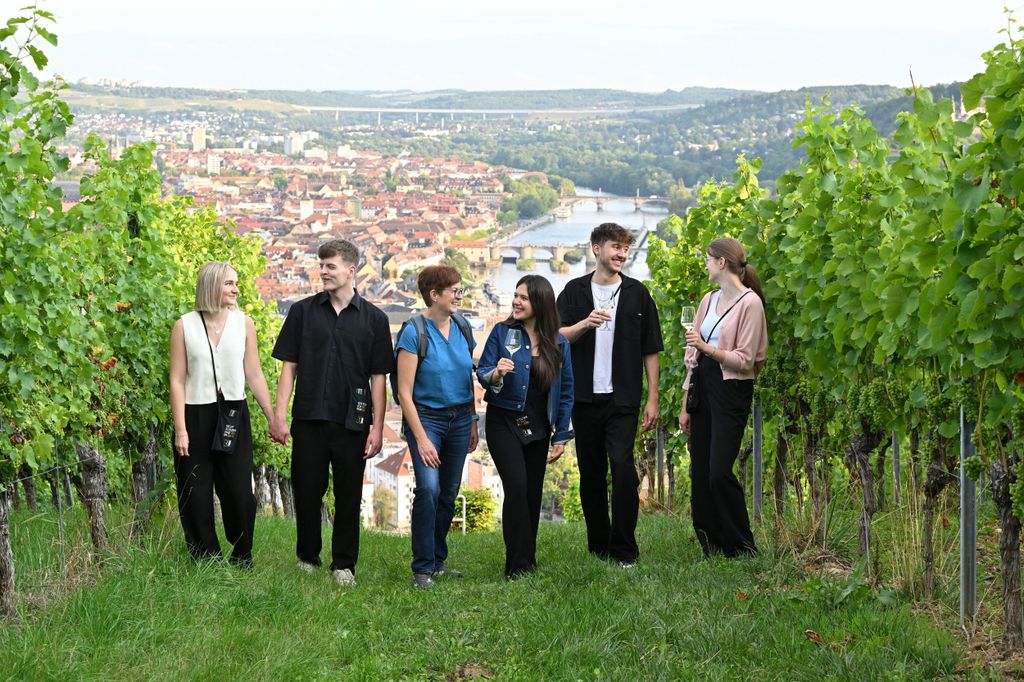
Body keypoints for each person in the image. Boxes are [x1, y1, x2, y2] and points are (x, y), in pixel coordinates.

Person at [270, 239, 393, 586]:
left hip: (352, 421)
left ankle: (344, 564)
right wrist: (279, 415)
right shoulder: (302, 312)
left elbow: (379, 379)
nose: (323, 272)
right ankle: (307, 557)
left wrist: (377, 427)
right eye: (321, 265)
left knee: (349, 494)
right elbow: (289, 367)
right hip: (308, 417)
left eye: (330, 266)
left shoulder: (375, 320)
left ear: (351, 271)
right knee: (307, 490)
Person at [556, 223, 663, 568]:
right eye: (615, 247)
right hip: (584, 399)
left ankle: (625, 549)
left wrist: (653, 398)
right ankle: (598, 547)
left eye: (625, 249)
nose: (621, 254)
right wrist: (584, 324)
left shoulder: (637, 293)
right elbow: (556, 338)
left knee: (623, 468)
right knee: (591, 474)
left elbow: (651, 349)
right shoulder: (573, 292)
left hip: (623, 399)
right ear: (596, 249)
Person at [169, 261, 276, 568]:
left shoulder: (245, 324)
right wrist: (181, 429)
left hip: (233, 413)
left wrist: (271, 416)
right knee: (195, 490)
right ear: (211, 285)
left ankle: (242, 554)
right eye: (229, 283)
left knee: (239, 490)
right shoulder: (184, 326)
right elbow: (177, 380)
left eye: (236, 283)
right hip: (194, 414)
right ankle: (205, 559)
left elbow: (254, 373)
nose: (236, 289)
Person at [477, 275, 574, 580]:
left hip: (539, 427)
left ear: (540, 303)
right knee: (517, 487)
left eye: (524, 298)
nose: (516, 302)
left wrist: (561, 435)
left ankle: (527, 559)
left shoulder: (559, 343)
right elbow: (483, 373)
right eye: (515, 295)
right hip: (503, 421)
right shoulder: (502, 332)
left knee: (532, 494)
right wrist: (496, 374)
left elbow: (566, 391)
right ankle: (516, 566)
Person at [678, 237, 767, 558]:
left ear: (721, 262)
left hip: (731, 389)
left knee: (719, 471)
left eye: (707, 258)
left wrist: (706, 348)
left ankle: (741, 545)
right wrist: (685, 404)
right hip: (702, 384)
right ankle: (710, 543)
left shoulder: (750, 304)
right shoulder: (708, 299)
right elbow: (693, 358)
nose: (705, 264)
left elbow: (745, 360)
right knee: (700, 469)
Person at [395, 265, 479, 589]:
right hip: (426, 419)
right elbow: (404, 393)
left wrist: (473, 420)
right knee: (428, 489)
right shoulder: (414, 332)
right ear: (434, 295)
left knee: (448, 492)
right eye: (454, 291)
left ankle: (437, 561)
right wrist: (421, 439)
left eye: (460, 290)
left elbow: (466, 378)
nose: (460, 296)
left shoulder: (462, 326)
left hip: (460, 418)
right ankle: (422, 568)